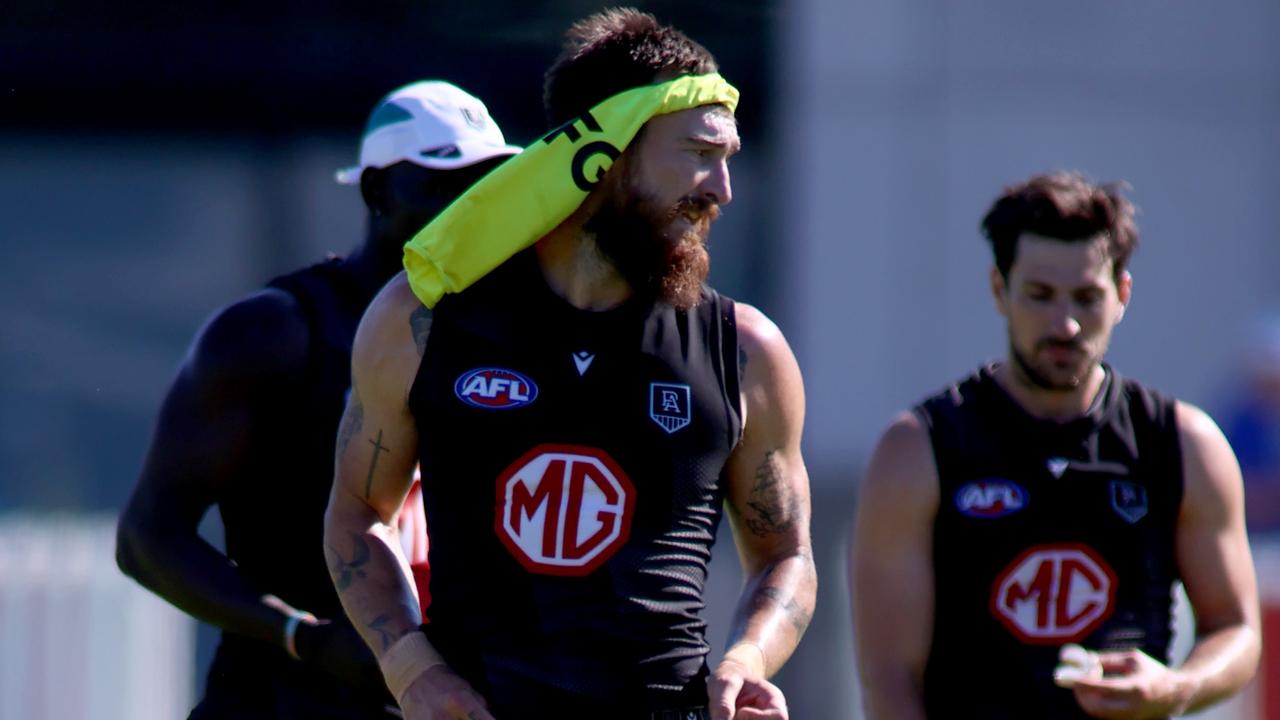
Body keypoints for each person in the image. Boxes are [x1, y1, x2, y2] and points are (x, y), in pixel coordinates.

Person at [323, 9, 816, 720]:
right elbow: (356, 512)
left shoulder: (745, 349)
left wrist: (747, 661)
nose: (722, 188)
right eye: (701, 152)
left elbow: (786, 553)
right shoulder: (422, 320)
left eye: (730, 157)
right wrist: (411, 670)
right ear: (606, 150)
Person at [116, 80, 520, 719]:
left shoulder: (510, 338)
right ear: (377, 191)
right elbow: (147, 539)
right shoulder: (273, 332)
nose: (470, 206)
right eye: (447, 182)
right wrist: (304, 636)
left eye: (486, 186)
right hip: (277, 702)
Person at [849, 171, 1261, 719]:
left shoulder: (1182, 443)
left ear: (1122, 295)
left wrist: (1174, 689)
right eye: (1040, 296)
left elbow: (1236, 630)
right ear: (1000, 290)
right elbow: (889, 679)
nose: (1064, 324)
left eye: (1087, 298)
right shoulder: (920, 449)